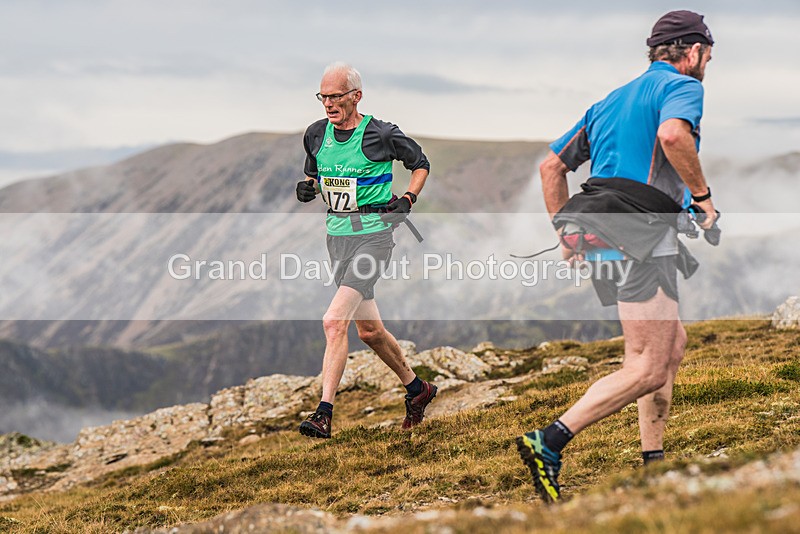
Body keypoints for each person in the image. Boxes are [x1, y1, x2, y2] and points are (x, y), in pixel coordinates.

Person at [517, 10, 719, 502]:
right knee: (648, 363)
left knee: (669, 345)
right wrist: (702, 197)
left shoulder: (608, 101)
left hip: (597, 226)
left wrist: (566, 233)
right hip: (639, 230)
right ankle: (548, 440)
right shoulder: (682, 87)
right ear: (692, 51)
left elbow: (551, 167)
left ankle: (653, 462)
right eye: (708, 56)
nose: (708, 65)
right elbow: (673, 136)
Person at [295, 62, 437, 439]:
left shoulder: (381, 133)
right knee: (370, 332)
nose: (328, 103)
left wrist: (408, 197)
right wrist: (308, 188)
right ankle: (417, 389)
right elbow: (315, 174)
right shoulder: (315, 134)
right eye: (323, 96)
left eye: (336, 96)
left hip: (374, 235)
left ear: (356, 96)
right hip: (337, 236)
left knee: (333, 321)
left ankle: (324, 413)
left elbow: (420, 164)